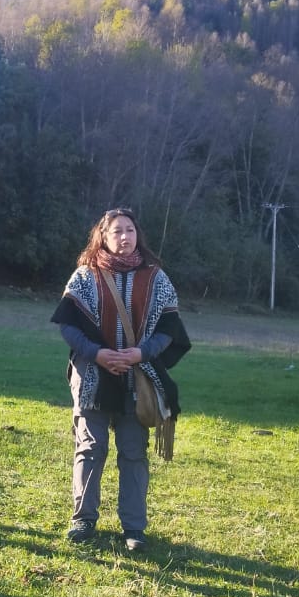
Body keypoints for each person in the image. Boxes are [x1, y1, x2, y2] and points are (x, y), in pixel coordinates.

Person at [50, 208, 190, 552]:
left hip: (136, 379)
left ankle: (134, 529)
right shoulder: (85, 276)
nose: (124, 237)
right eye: (117, 231)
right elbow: (68, 325)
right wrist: (96, 353)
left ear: (138, 235)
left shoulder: (156, 278)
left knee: (133, 452)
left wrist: (140, 353)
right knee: (90, 448)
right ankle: (83, 520)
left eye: (130, 230)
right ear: (103, 236)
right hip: (92, 377)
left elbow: (169, 329)